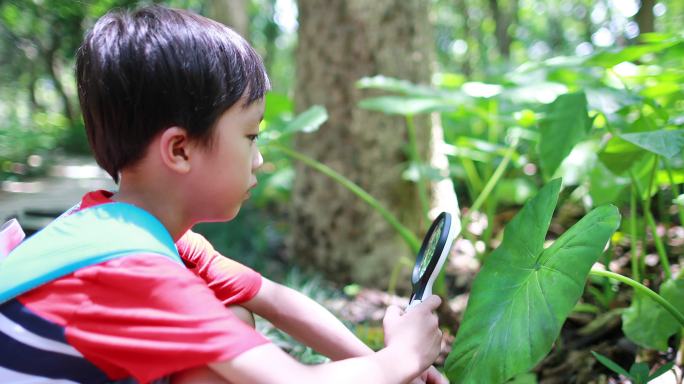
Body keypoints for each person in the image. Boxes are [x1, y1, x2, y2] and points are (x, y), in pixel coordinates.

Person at [0, 5, 447, 384]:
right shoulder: (131, 268)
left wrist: (379, 366)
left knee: (234, 316)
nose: (258, 159)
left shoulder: (122, 227)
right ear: (179, 149)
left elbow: (273, 297)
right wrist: (400, 360)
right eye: (250, 136)